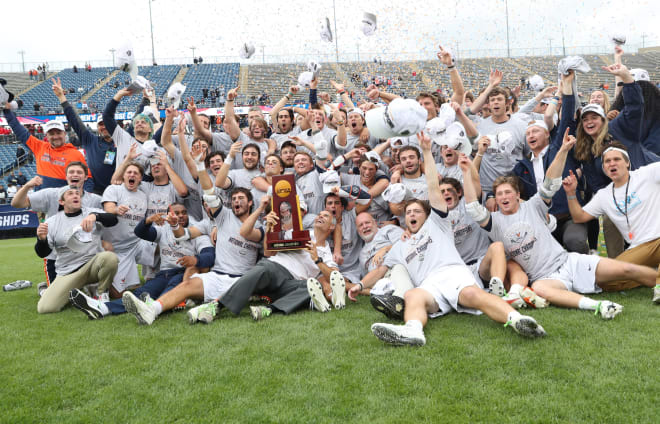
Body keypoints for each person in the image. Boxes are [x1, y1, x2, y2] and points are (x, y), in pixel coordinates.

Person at [350, 133, 546, 346]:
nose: (413, 215)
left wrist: (426, 151)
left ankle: (518, 320)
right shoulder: (400, 245)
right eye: (409, 213)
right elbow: (379, 271)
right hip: (429, 285)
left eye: (417, 211)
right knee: (413, 296)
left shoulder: (438, 224)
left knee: (473, 294)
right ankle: (413, 331)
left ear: (427, 215)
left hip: (453, 273)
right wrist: (359, 285)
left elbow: (434, 188)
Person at [463, 130, 657, 319]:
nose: (504, 197)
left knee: (626, 270)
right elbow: (473, 207)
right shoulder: (493, 222)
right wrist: (465, 172)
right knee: (540, 288)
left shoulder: (533, 206)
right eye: (499, 194)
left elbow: (551, 182)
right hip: (546, 278)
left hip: (569, 262)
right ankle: (600, 305)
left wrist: (563, 150)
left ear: (517, 195)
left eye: (508, 192)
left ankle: (657, 283)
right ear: (495, 199)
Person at [68, 202, 215, 319]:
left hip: (182, 274)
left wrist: (194, 259)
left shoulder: (197, 233)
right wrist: (148, 220)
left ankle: (151, 308)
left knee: (168, 294)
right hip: (163, 273)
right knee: (137, 295)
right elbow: (140, 232)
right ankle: (102, 308)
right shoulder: (164, 229)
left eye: (184, 213)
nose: (181, 216)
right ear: (170, 215)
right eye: (177, 213)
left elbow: (210, 255)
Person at [562, 145, 660, 301]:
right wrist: (571, 194)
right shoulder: (604, 195)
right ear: (604, 168)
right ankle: (654, 275)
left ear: (627, 163)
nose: (612, 164)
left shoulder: (647, 173)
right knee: (605, 282)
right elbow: (579, 217)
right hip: (639, 247)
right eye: (607, 161)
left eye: (617, 159)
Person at [12, 162, 102, 285]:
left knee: (89, 293)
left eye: (79, 172)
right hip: (56, 256)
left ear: (86, 177)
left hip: (85, 256)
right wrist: (27, 186)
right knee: (61, 300)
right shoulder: (51, 194)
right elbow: (17, 203)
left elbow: (110, 217)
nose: (75, 174)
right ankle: (45, 288)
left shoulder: (95, 200)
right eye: (71, 172)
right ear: (66, 177)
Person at [35, 185, 119, 314]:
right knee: (46, 308)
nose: (75, 195)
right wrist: (41, 239)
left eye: (77, 193)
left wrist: (95, 216)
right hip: (68, 271)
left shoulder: (91, 212)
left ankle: (102, 295)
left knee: (110, 257)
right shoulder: (52, 222)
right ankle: (49, 290)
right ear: (61, 202)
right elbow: (43, 253)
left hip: (92, 265)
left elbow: (113, 220)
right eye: (70, 193)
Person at [52, 78, 116, 194]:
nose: (104, 127)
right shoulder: (90, 140)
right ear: (97, 127)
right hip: (94, 191)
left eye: (107, 124)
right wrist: (62, 97)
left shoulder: (122, 140)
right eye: (101, 125)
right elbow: (75, 120)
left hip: (117, 190)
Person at [3, 104, 89, 189]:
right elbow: (18, 130)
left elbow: (88, 178)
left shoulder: (76, 154)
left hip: (64, 199)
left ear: (64, 134)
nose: (55, 137)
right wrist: (6, 111)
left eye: (58, 133)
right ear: (46, 136)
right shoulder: (40, 147)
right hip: (41, 199)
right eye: (51, 134)